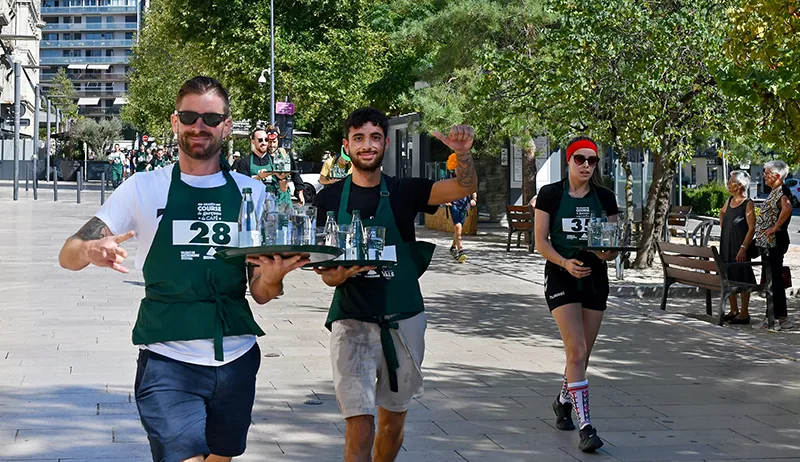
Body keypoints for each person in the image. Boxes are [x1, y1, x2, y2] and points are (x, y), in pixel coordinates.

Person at [57, 76, 308, 462]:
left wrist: (274, 277)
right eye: (190, 116)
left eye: (211, 118)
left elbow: (261, 291)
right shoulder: (142, 187)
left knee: (219, 457)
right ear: (175, 122)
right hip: (168, 358)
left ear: (226, 124)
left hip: (236, 357)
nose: (199, 126)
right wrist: (92, 250)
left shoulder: (251, 193)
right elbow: (68, 253)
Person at [313, 108, 477, 462]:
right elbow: (324, 269)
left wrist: (462, 154)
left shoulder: (405, 190)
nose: (367, 145)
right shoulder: (328, 199)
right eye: (358, 138)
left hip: (403, 320)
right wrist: (336, 276)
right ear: (347, 146)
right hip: (351, 320)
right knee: (359, 423)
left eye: (374, 137)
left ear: (386, 143)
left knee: (391, 425)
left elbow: (464, 186)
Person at [534, 136, 618, 453]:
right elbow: (541, 241)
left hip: (595, 277)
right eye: (579, 159)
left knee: (581, 356)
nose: (585, 165)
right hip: (560, 274)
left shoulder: (606, 197)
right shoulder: (550, 194)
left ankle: (562, 401)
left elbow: (611, 247)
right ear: (568, 161)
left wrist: (605, 253)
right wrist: (565, 263)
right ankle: (586, 428)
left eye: (592, 160)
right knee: (577, 348)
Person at [754, 160, 794, 331]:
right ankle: (775, 318)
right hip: (768, 244)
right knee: (771, 280)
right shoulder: (775, 191)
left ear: (777, 176)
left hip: (774, 243)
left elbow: (787, 207)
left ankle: (777, 319)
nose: (764, 176)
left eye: (767, 173)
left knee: (774, 281)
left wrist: (775, 227)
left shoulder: (782, 192)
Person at [720, 170, 756, 325]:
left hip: (739, 245)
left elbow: (752, 227)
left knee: (743, 277)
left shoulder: (748, 204)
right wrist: (724, 226)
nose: (728, 184)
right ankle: (733, 310)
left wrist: (743, 247)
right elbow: (722, 213)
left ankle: (744, 313)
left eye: (731, 182)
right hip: (726, 243)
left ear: (740, 185)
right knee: (729, 275)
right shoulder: (729, 201)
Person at [235, 127, 305, 207]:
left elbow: (283, 189)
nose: (264, 143)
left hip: (275, 206)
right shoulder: (244, 162)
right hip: (254, 206)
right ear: (253, 142)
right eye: (260, 140)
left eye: (266, 140)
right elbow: (242, 187)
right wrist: (258, 177)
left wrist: (282, 178)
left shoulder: (276, 160)